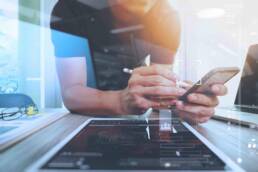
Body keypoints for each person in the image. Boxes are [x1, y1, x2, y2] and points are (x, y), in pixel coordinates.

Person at [50, 0, 227, 123]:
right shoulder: (70, 8)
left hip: (135, 114)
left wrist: (182, 104)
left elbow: (159, 90)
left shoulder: (166, 16)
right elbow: (72, 93)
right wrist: (120, 101)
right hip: (85, 115)